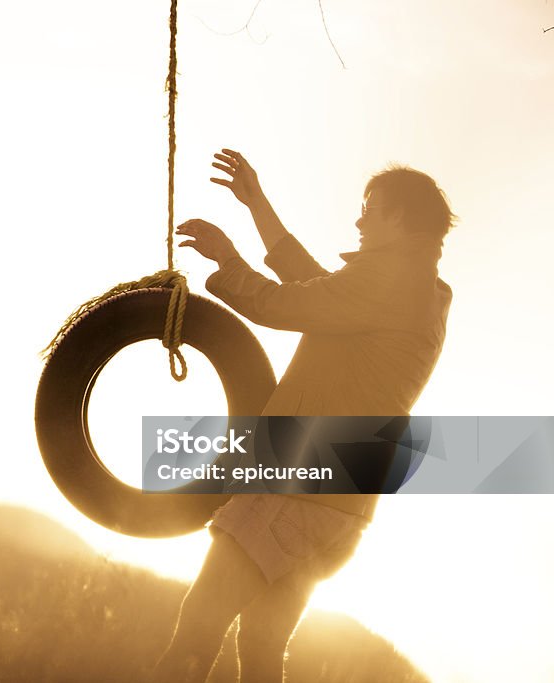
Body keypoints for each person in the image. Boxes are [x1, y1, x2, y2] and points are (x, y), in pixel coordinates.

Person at [151, 149, 455, 682]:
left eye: (371, 208)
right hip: (342, 506)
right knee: (264, 649)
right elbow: (314, 287)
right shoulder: (419, 291)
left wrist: (228, 263)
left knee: (199, 625)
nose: (359, 219)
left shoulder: (389, 280)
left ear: (401, 219)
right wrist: (256, 204)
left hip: (297, 488)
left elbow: (283, 305)